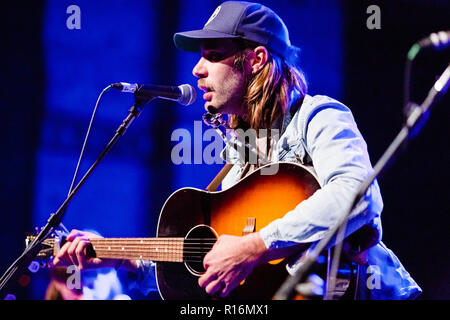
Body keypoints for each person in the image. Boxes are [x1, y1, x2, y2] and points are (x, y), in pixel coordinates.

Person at [53, 1, 421, 299]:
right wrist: (119, 259)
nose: (197, 70)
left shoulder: (318, 116)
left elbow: (358, 195)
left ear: (256, 59)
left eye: (213, 54)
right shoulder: (239, 157)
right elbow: (205, 263)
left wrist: (255, 245)